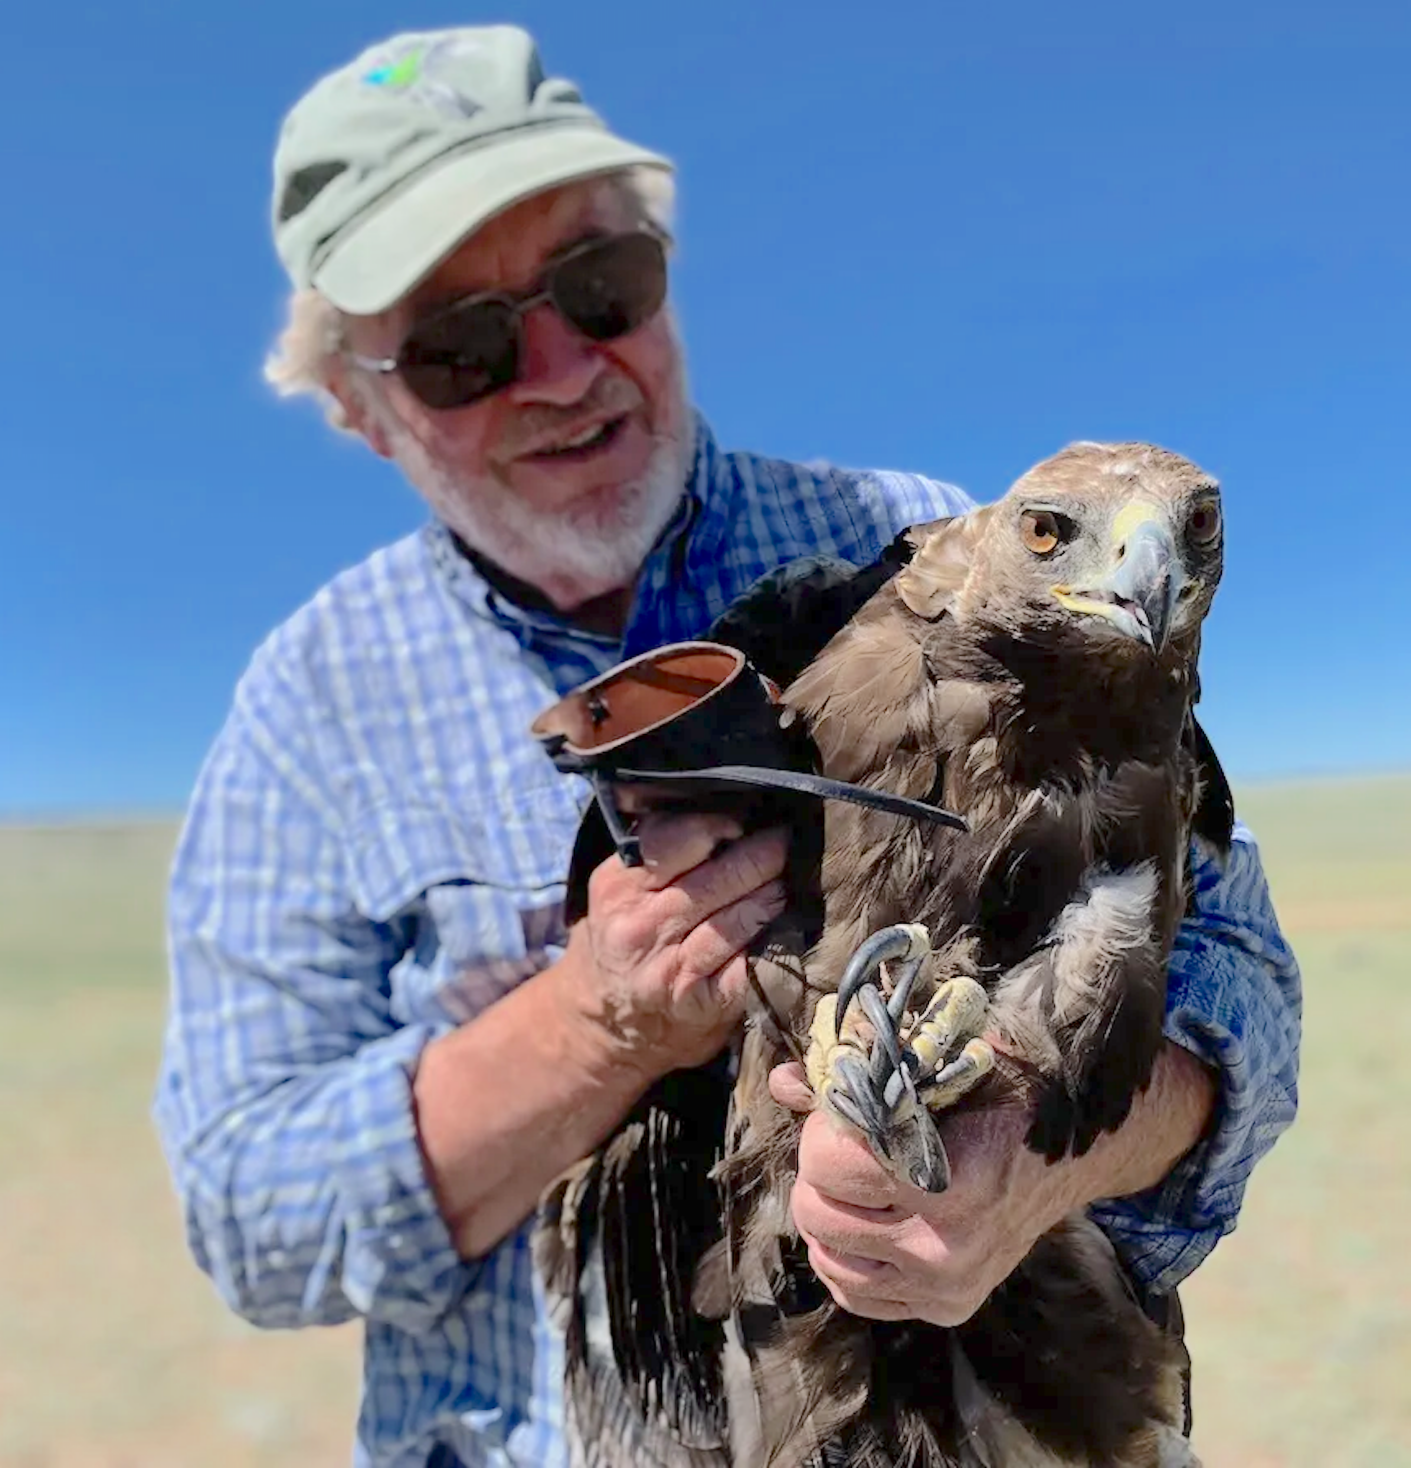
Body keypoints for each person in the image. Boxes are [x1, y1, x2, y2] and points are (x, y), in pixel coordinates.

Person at [154, 25, 1301, 1468]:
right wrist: (595, 1027)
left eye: (601, 286)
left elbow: (1239, 1008)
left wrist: (1040, 1150)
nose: (561, 368)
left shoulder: (961, 551)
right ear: (358, 407)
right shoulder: (308, 708)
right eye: (459, 347)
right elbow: (256, 1224)